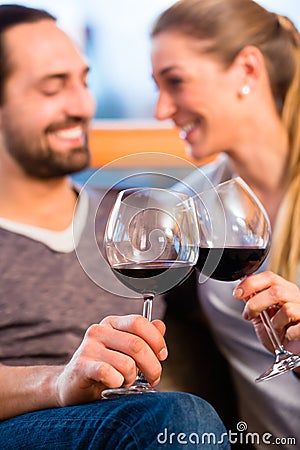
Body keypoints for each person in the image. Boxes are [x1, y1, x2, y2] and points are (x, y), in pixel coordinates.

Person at [0, 4, 231, 449]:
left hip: (146, 431)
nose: (83, 105)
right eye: (53, 88)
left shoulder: (134, 219)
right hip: (23, 427)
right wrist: (57, 383)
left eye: (84, 81)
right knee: (181, 417)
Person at [150, 0, 300, 447]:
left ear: (247, 70)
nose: (161, 109)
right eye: (156, 87)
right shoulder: (191, 203)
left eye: (175, 81)